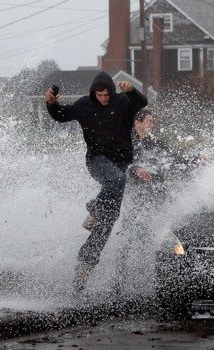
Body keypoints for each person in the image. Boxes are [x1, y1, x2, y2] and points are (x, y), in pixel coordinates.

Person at [44, 71, 148, 291]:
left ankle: (84, 267)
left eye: (106, 95)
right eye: (99, 95)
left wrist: (131, 90)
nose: (103, 99)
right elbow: (61, 115)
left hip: (120, 164)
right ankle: (93, 209)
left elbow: (142, 102)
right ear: (94, 93)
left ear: (111, 92)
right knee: (116, 181)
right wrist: (52, 104)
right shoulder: (84, 105)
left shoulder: (122, 102)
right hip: (97, 161)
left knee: (107, 223)